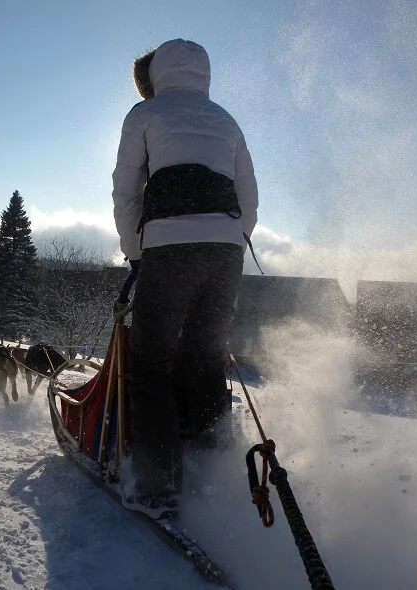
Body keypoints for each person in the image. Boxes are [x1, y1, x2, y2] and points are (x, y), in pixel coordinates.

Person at [112, 38, 258, 519]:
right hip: (226, 250)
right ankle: (215, 466)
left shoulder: (144, 115)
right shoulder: (225, 119)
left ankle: (160, 487)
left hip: (169, 245)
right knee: (205, 357)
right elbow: (248, 195)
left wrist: (137, 253)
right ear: (204, 74)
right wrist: (232, 240)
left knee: (150, 362)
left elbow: (127, 189)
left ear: (155, 75)